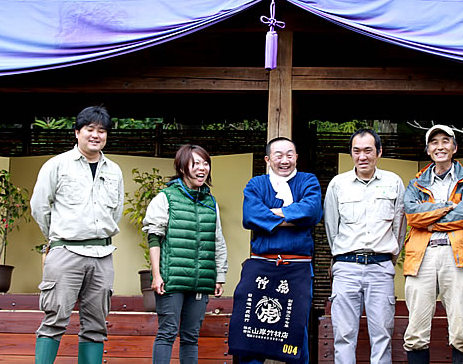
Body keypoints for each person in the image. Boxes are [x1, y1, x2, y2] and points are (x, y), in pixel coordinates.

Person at [31, 106, 124, 364]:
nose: (96, 135)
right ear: (77, 132)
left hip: (103, 254)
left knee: (96, 325)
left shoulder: (114, 170)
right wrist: (59, 237)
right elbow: (40, 207)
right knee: (55, 319)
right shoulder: (57, 165)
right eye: (90, 129)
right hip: (65, 252)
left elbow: (116, 211)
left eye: (102, 131)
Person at [228, 137, 322, 363]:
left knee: (296, 327)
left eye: (290, 154)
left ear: (296, 157)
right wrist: (292, 216)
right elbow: (251, 216)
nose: (284, 160)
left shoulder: (308, 181)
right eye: (278, 155)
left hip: (297, 266)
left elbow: (311, 212)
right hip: (262, 262)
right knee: (250, 327)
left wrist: (271, 214)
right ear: (268, 159)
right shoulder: (256, 184)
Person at [324, 128, 406, 364]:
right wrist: (341, 257)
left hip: (381, 268)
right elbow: (332, 227)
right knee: (343, 334)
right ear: (351, 153)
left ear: (379, 152)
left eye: (368, 150)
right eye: (356, 151)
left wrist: (389, 258)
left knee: (382, 334)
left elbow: (399, 227)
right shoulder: (338, 184)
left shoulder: (394, 182)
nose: (362, 157)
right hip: (346, 267)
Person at [402, 125, 463, 364]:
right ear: (428, 150)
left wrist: (430, 222)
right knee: (416, 332)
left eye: (445, 141)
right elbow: (412, 215)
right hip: (422, 255)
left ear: (454, 147)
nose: (440, 146)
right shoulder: (415, 183)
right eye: (434, 142)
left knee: (461, 332)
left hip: (457, 255)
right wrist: (448, 207)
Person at [143, 144, 228, 364]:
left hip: (201, 281)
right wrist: (157, 275)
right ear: (182, 168)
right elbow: (154, 237)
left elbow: (217, 239)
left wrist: (219, 275)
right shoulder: (166, 197)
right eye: (196, 163)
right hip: (172, 279)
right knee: (167, 332)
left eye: (205, 163)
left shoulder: (211, 202)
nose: (202, 168)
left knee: (191, 337)